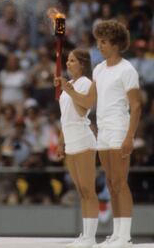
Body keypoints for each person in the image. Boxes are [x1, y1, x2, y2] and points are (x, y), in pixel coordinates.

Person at [58, 20, 141, 248]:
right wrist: (70, 90)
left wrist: (130, 136)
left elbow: (136, 106)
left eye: (103, 42)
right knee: (111, 184)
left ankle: (125, 236)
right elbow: (88, 101)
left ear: (116, 44)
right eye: (98, 42)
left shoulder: (127, 69)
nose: (100, 46)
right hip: (103, 130)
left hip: (119, 128)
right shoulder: (98, 69)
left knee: (120, 183)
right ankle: (116, 234)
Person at [55, 49, 98, 248]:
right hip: (70, 140)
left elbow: (83, 109)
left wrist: (68, 90)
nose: (68, 63)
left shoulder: (86, 83)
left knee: (89, 190)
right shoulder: (69, 85)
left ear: (82, 63)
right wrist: (61, 142)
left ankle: (91, 236)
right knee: (81, 191)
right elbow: (65, 117)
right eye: (67, 60)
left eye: (72, 60)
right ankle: (85, 234)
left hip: (83, 139)